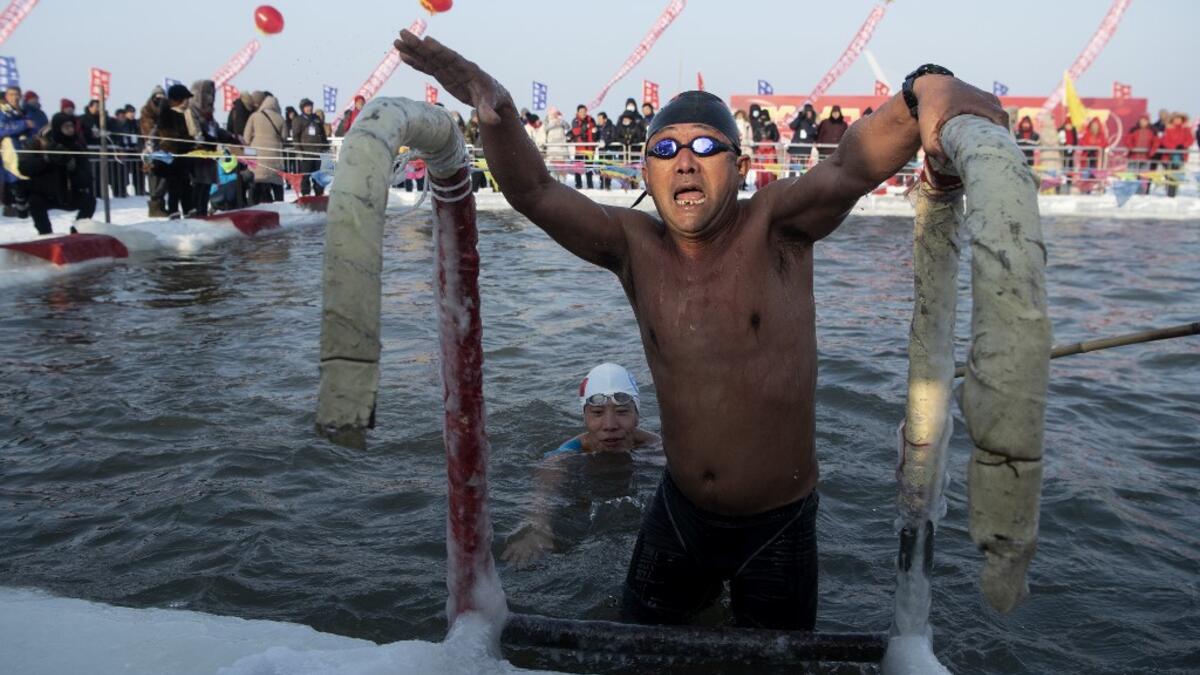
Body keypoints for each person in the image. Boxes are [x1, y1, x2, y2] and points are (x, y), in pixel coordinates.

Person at [396, 31, 1006, 630]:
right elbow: (532, 189)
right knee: (635, 648)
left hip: (779, 524)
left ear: (740, 167)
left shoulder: (777, 227)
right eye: (665, 151)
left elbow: (850, 165)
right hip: (680, 512)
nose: (683, 162)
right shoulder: (632, 247)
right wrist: (497, 109)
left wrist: (924, 88)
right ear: (646, 171)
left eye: (704, 148)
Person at [501, 363, 660, 565]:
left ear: (637, 416)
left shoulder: (659, 449)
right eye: (597, 413)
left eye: (621, 412)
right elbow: (542, 496)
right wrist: (537, 530)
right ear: (584, 417)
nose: (610, 425)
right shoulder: (563, 458)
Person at [19, 112, 95, 234]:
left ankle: (76, 233)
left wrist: (73, 167)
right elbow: (24, 168)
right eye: (66, 127)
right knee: (35, 201)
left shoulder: (76, 147)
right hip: (46, 194)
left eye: (71, 126)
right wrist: (46, 160)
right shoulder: (38, 144)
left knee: (90, 201)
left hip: (68, 195)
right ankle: (45, 234)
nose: (70, 130)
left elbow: (87, 179)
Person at [154, 83, 196, 217]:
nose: (187, 102)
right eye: (185, 98)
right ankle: (173, 210)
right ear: (178, 99)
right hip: (172, 155)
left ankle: (188, 209)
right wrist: (187, 140)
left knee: (185, 184)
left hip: (183, 154)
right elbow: (169, 135)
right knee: (174, 186)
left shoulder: (184, 113)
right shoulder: (167, 113)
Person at [244, 92, 286, 203]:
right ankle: (280, 206)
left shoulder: (254, 116)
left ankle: (254, 205)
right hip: (275, 157)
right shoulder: (280, 118)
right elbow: (285, 137)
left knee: (257, 182)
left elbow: (246, 138)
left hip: (258, 157)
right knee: (277, 183)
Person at [292, 98, 329, 197]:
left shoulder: (316, 118)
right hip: (306, 153)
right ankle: (306, 195)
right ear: (302, 108)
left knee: (319, 176)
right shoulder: (298, 120)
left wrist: (325, 146)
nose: (309, 108)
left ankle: (319, 194)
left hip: (318, 152)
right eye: (307, 107)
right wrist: (299, 151)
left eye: (310, 106)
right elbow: (295, 137)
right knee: (305, 176)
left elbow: (323, 134)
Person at [1123, 115, 1159, 193]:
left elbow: (1156, 142)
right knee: (1131, 176)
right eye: (1141, 120)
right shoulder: (1133, 130)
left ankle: (1141, 192)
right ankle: (1130, 192)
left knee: (1143, 177)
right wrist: (1131, 147)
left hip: (1145, 158)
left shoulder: (1153, 131)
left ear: (1148, 121)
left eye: (1145, 120)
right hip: (1133, 157)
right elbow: (1127, 139)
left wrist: (1152, 151)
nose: (1143, 122)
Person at [1159, 113, 1191, 198]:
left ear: (1182, 120)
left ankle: (1172, 194)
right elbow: (1164, 141)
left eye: (1179, 119)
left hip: (1180, 157)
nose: (1177, 120)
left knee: (1176, 175)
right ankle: (1169, 193)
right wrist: (1174, 148)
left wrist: (1183, 146)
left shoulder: (1185, 130)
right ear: (1172, 120)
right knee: (1168, 175)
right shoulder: (1168, 129)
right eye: (1175, 118)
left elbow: (1190, 139)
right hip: (1168, 156)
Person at [569, 104, 598, 190]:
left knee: (589, 168)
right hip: (579, 148)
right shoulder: (575, 121)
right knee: (578, 168)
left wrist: (595, 133)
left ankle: (590, 185)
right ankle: (578, 185)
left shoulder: (591, 119)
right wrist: (586, 127)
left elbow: (594, 131)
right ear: (577, 112)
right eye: (581, 111)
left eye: (584, 111)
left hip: (589, 148)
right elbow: (576, 132)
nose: (583, 113)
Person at [787, 104, 818, 175]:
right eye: (807, 112)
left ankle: (801, 184)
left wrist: (805, 123)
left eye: (810, 112)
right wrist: (799, 118)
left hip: (805, 149)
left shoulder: (813, 123)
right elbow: (792, 126)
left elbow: (811, 132)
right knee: (793, 169)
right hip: (795, 148)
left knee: (803, 169)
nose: (808, 114)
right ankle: (791, 183)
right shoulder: (800, 120)